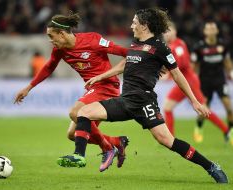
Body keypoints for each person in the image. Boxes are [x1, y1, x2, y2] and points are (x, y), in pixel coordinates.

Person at [57, 8, 228, 183]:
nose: (131, 25)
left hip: (144, 102)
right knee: (83, 112)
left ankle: (211, 167)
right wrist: (100, 76)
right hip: (125, 101)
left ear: (144, 26)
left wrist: (195, 101)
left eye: (134, 22)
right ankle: (79, 155)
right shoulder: (135, 43)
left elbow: (178, 75)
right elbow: (125, 63)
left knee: (166, 140)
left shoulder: (161, 48)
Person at [14, 12, 130, 172]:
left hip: (107, 87)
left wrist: (151, 62)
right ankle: (117, 142)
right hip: (93, 89)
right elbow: (49, 67)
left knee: (75, 112)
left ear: (62, 34)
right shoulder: (59, 49)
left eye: (51, 36)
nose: (50, 40)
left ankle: (107, 148)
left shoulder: (93, 40)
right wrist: (29, 87)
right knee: (72, 134)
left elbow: (125, 53)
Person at [162, 22, 232, 143]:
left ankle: (226, 130)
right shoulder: (173, 45)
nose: (166, 34)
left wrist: (168, 71)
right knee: (167, 107)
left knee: (202, 109)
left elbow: (183, 63)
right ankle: (171, 139)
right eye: (164, 32)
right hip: (183, 81)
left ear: (175, 31)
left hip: (188, 81)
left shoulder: (177, 46)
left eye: (169, 30)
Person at [191, 21, 233, 145]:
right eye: (208, 29)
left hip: (220, 80)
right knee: (204, 110)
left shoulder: (223, 45)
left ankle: (229, 133)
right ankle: (198, 127)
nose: (211, 31)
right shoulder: (199, 47)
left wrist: (231, 73)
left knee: (229, 107)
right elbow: (194, 67)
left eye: (213, 28)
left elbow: (227, 62)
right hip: (205, 81)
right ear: (204, 32)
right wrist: (193, 80)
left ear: (217, 31)